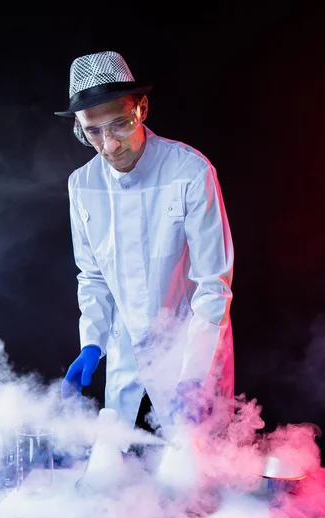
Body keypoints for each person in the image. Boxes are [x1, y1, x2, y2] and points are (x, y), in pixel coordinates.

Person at [55, 50, 234, 441]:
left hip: (191, 350)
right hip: (125, 351)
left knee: (201, 473)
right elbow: (93, 276)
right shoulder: (82, 185)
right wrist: (92, 342)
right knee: (119, 469)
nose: (109, 145)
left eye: (119, 124)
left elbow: (213, 286)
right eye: (93, 131)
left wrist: (194, 375)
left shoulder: (190, 172)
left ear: (142, 108)